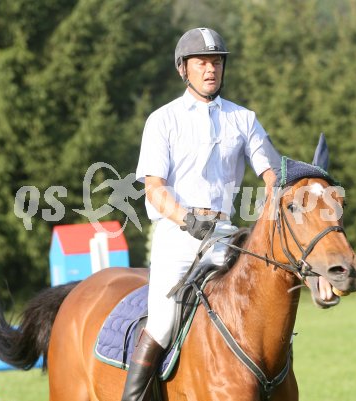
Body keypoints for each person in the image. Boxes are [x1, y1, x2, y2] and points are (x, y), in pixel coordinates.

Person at [121, 27, 276, 401]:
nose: (211, 70)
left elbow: (271, 173)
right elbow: (154, 187)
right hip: (178, 239)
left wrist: (283, 188)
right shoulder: (162, 120)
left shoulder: (244, 119)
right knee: (162, 323)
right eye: (202, 63)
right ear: (183, 69)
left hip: (225, 238)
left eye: (217, 62)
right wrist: (187, 217)